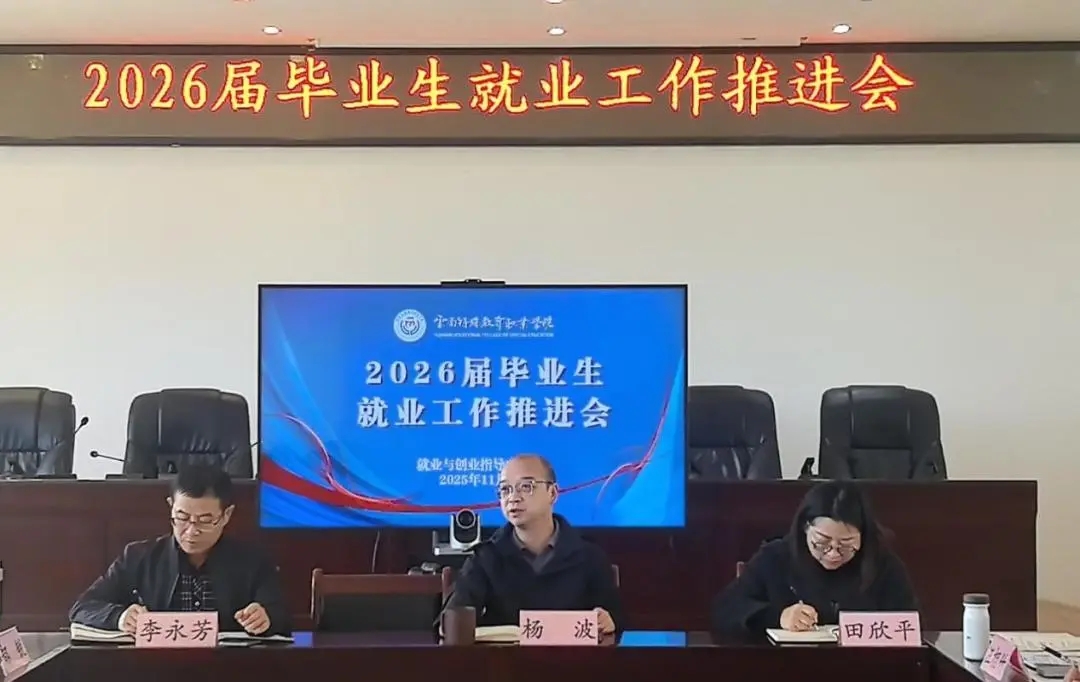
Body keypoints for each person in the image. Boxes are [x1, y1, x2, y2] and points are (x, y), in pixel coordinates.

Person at [69, 465, 290, 636]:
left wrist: (265, 618)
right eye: (182, 517)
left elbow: (282, 617)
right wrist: (120, 617)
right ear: (171, 506)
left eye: (205, 520)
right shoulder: (138, 557)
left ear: (226, 515)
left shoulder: (252, 562)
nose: (191, 531)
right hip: (156, 668)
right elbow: (83, 608)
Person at [711, 480, 918, 636]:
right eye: (822, 542)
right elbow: (725, 610)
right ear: (805, 527)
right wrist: (778, 616)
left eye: (846, 545)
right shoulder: (775, 558)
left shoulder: (883, 564)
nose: (833, 553)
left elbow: (910, 626)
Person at [446, 454, 623, 635]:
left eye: (526, 486)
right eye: (505, 489)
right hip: (504, 653)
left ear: (552, 493)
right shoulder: (485, 558)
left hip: (571, 653)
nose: (513, 498)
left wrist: (608, 620)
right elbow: (450, 621)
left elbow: (616, 617)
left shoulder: (589, 556)